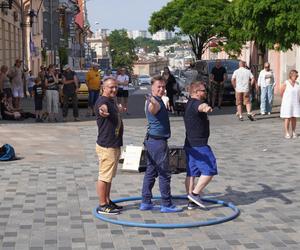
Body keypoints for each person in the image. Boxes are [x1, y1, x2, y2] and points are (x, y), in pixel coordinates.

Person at [140, 75, 182, 213]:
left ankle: (146, 202)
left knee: (151, 171)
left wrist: (154, 99)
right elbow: (154, 108)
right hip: (158, 142)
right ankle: (167, 204)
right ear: (152, 87)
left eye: (163, 86)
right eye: (159, 86)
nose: (162, 89)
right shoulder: (154, 102)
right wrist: (152, 100)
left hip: (151, 141)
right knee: (164, 173)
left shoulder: (158, 99)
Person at [183, 81, 217, 210]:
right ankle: (195, 194)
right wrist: (207, 108)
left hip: (190, 144)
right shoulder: (197, 103)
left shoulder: (189, 103)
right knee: (210, 169)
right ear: (196, 92)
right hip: (199, 145)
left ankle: (191, 201)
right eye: (203, 90)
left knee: (191, 173)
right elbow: (202, 107)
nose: (205, 92)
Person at [95, 77, 124, 215]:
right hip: (107, 145)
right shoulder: (103, 101)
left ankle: (107, 200)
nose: (114, 89)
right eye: (111, 87)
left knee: (109, 176)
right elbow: (102, 108)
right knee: (104, 176)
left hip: (114, 144)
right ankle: (102, 205)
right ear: (103, 88)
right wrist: (103, 110)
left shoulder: (111, 100)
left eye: (116, 87)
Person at [280, 70, 300, 139]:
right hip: (287, 103)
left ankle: (294, 132)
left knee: (294, 117)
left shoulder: (297, 83)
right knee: (287, 117)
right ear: (291, 75)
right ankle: (287, 132)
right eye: (296, 76)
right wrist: (285, 100)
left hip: (295, 103)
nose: (297, 77)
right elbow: (281, 92)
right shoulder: (286, 83)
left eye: (297, 76)